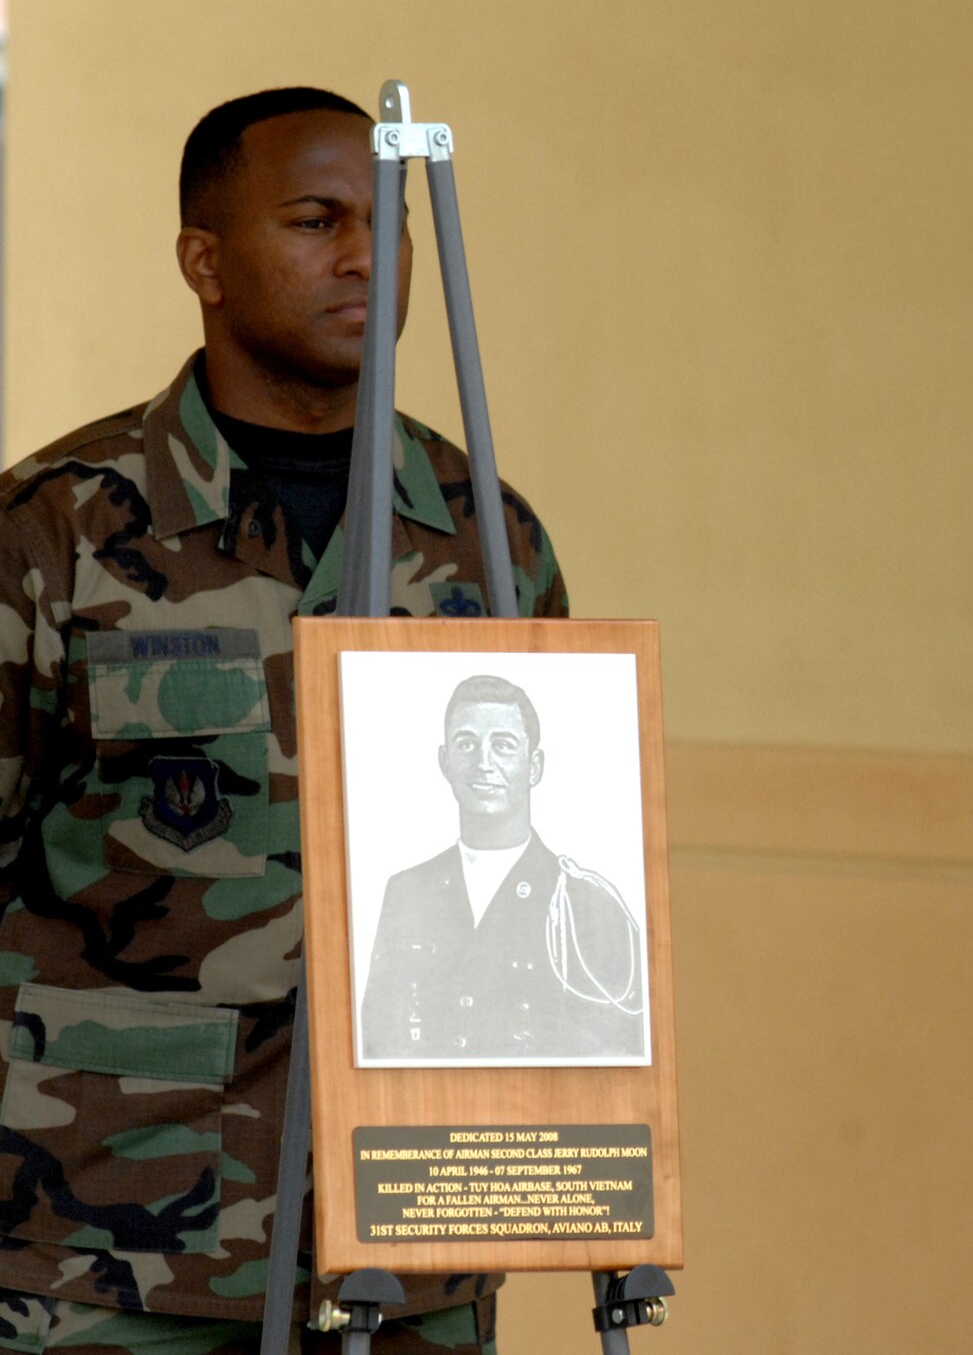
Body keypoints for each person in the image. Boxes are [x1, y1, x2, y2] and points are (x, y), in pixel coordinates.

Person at [0, 89, 567, 1353]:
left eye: (387, 224)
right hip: (115, 1255)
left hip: (410, 1245)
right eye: (316, 221)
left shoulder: (489, 537)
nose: (365, 256)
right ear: (204, 259)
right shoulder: (59, 530)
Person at [360, 674, 645, 1063]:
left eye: (503, 746)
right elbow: (379, 1039)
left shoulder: (584, 902)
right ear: (444, 762)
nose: (483, 764)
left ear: (534, 766)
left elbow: (613, 1054)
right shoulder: (408, 891)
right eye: (466, 745)